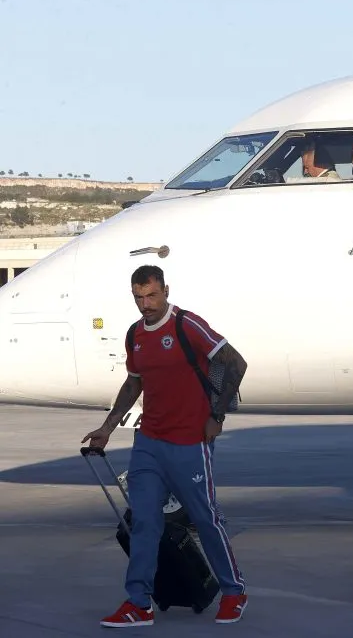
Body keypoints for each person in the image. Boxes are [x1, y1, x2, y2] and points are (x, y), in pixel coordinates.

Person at [82, 265, 249, 627]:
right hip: (149, 442)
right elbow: (133, 385)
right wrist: (108, 428)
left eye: (152, 295)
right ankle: (139, 603)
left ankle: (234, 592)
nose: (146, 304)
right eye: (139, 298)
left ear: (166, 290)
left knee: (205, 519)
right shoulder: (135, 334)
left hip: (190, 441)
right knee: (142, 522)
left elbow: (235, 363)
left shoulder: (187, 325)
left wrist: (216, 417)